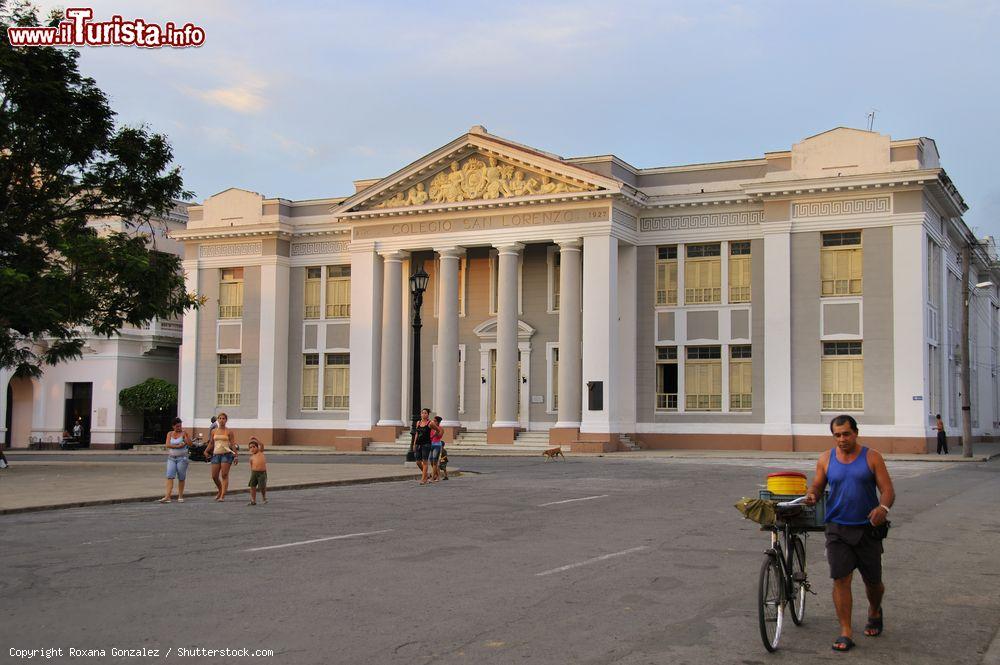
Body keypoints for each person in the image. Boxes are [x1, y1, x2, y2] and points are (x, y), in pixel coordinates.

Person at [804, 415, 895, 653]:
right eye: (837, 435)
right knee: (841, 579)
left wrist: (882, 509)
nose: (842, 439)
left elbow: (887, 490)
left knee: (873, 583)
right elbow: (817, 485)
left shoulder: (872, 457)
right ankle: (846, 630)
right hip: (837, 528)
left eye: (846, 434)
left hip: (867, 528)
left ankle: (874, 610)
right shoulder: (826, 459)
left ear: (855, 432)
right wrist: (812, 494)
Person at [205, 412, 238, 502]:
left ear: (226, 420)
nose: (222, 420)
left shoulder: (229, 431)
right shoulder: (214, 431)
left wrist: (236, 455)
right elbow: (211, 443)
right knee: (214, 476)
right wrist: (206, 451)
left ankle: (222, 495)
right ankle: (220, 489)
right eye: (220, 418)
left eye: (223, 418)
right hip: (216, 454)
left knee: (224, 475)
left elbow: (233, 444)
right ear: (218, 420)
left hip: (226, 454)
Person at [159, 417, 191, 503]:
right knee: (169, 476)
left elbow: (190, 444)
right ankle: (168, 496)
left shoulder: (184, 433)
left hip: (182, 458)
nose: (179, 428)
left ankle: (180, 496)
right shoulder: (170, 434)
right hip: (171, 458)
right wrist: (178, 446)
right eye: (177, 426)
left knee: (181, 476)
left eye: (180, 426)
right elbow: (168, 445)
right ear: (173, 426)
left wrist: (186, 437)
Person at [412, 408, 436, 485]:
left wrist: (432, 437)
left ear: (428, 414)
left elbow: (438, 430)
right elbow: (416, 433)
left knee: (425, 461)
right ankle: (426, 475)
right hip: (418, 444)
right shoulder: (418, 422)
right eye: (422, 413)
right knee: (418, 462)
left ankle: (423, 479)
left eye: (425, 413)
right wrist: (414, 443)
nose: (424, 414)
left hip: (426, 444)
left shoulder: (430, 423)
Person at [247, 438, 267, 505]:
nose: (252, 449)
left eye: (254, 447)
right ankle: (253, 500)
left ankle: (264, 497)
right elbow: (251, 466)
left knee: (262, 487)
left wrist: (255, 439)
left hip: (262, 473)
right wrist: (252, 473)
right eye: (250, 447)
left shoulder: (260, 452)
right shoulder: (251, 458)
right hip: (254, 473)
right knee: (252, 486)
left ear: (257, 447)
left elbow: (261, 444)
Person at [428, 416, 445, 482]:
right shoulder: (431, 428)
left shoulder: (441, 429)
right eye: (433, 420)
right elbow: (430, 437)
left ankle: (432, 478)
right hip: (431, 445)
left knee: (435, 461)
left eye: (435, 421)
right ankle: (438, 476)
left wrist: (436, 432)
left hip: (437, 445)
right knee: (431, 461)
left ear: (438, 422)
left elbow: (439, 436)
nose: (433, 422)